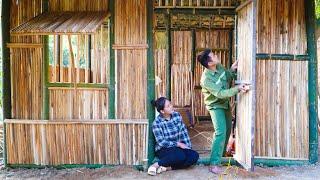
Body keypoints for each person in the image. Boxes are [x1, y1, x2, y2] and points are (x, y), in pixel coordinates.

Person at [197, 48, 249, 174]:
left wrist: (232, 69)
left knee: (227, 131)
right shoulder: (206, 79)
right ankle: (213, 164)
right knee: (220, 132)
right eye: (213, 55)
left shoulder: (219, 67)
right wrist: (237, 89)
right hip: (215, 105)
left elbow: (227, 76)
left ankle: (222, 154)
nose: (216, 56)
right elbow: (220, 93)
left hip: (224, 103)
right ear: (209, 63)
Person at [147, 97, 199, 176]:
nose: (171, 106)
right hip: (163, 149)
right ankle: (156, 165)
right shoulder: (157, 123)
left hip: (177, 148)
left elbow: (183, 131)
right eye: (168, 106)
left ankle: (167, 168)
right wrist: (178, 144)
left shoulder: (177, 115)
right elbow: (161, 142)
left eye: (170, 104)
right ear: (162, 111)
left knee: (194, 156)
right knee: (180, 156)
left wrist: (188, 147)